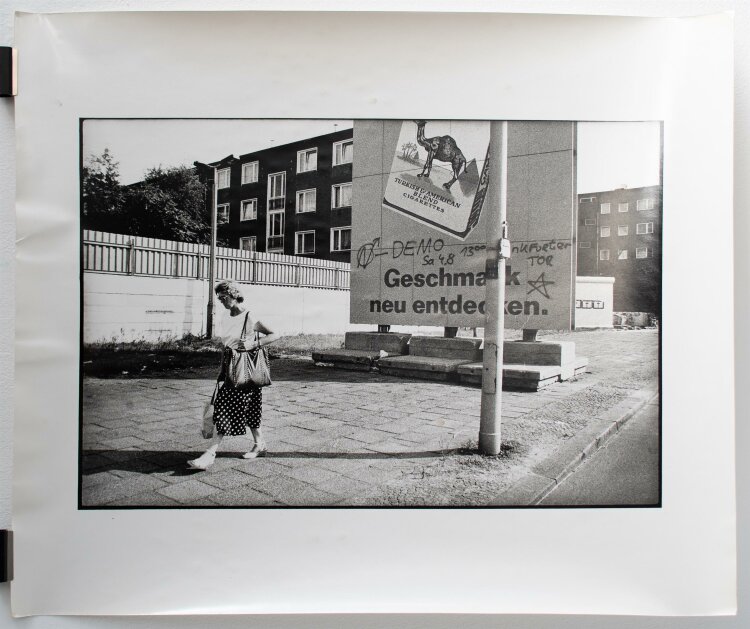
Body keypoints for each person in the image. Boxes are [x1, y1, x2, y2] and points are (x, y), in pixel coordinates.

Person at [188, 280, 278, 470]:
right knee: (249, 409)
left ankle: (210, 454)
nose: (221, 301)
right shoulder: (225, 316)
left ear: (234, 295)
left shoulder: (250, 316)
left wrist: (253, 344)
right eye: (219, 298)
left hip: (246, 370)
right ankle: (260, 444)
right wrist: (222, 370)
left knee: (224, 410)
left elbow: (274, 335)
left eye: (224, 297)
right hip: (230, 367)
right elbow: (226, 345)